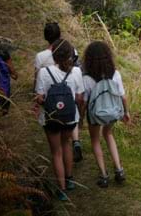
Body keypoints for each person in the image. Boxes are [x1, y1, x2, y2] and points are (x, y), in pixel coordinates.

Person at [35, 39, 85, 201]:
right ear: (71, 55)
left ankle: (61, 189)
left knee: (56, 153)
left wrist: (45, 101)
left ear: (53, 55)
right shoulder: (76, 72)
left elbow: (40, 98)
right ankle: (69, 179)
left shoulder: (44, 72)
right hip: (70, 117)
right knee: (67, 145)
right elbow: (79, 97)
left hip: (51, 118)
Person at [82, 41, 130, 188]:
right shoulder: (115, 74)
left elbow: (84, 101)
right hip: (113, 111)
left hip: (95, 115)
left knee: (95, 139)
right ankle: (119, 170)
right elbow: (122, 96)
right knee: (108, 134)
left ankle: (103, 175)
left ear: (89, 59)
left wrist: (80, 118)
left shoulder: (87, 79)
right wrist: (126, 112)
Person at [34, 22, 84, 163]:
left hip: (50, 100)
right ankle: (76, 141)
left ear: (45, 37)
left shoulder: (41, 56)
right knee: (70, 109)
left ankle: (62, 179)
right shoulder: (71, 50)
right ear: (60, 34)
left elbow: (37, 77)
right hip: (69, 92)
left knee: (56, 148)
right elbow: (76, 69)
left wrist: (36, 95)